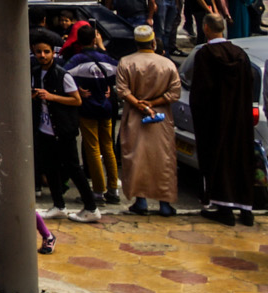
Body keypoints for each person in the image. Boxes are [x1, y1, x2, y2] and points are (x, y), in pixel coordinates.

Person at [189, 15, 256, 225]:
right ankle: (246, 210)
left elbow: (201, 91)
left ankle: (223, 209)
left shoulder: (206, 55)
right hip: (240, 119)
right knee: (241, 160)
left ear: (206, 28)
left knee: (218, 160)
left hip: (215, 120)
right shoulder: (241, 55)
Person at [30, 29, 99, 222]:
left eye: (46, 52)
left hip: (63, 130)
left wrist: (52, 97)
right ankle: (58, 205)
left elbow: (76, 100)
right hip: (44, 130)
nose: (42, 55)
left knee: (73, 169)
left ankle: (91, 208)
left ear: (53, 52)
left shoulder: (62, 75)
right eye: (38, 52)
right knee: (51, 169)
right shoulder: (34, 73)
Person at [113, 24, 178, 216]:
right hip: (160, 117)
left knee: (136, 158)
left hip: (135, 116)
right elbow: (174, 93)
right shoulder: (167, 64)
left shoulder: (126, 62)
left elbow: (123, 91)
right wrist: (153, 102)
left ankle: (140, 201)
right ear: (153, 42)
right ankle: (164, 204)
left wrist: (140, 104)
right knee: (163, 160)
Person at [63, 22, 120, 206]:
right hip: (106, 108)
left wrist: (78, 89)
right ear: (95, 39)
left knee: (93, 149)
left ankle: (98, 191)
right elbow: (118, 72)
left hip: (87, 109)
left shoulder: (77, 61)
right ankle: (113, 189)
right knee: (108, 148)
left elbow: (63, 75)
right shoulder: (106, 60)